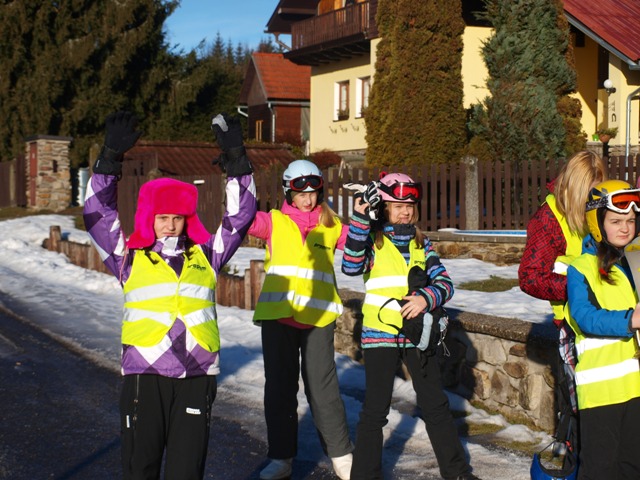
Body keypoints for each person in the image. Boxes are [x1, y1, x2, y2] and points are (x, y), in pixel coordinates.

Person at [83, 111, 257, 479]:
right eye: (162, 217)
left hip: (197, 373)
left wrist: (237, 160)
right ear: (149, 217)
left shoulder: (208, 255)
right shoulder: (127, 257)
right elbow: (97, 213)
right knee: (140, 467)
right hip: (145, 372)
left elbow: (241, 215)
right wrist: (109, 159)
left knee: (186, 470)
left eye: (177, 217)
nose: (170, 225)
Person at [341, 172, 478, 480]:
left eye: (409, 206)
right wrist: (360, 218)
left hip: (418, 334)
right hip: (380, 333)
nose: (404, 212)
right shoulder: (373, 241)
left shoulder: (421, 244)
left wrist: (425, 298)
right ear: (384, 208)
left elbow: (445, 284)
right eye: (397, 206)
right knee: (375, 410)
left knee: (435, 404)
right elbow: (350, 266)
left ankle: (457, 473)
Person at [248, 159, 353, 480]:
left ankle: (342, 454)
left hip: (318, 317)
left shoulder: (332, 225)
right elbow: (241, 217)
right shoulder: (272, 222)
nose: (308, 199)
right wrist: (239, 172)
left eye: (313, 192)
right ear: (288, 193)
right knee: (279, 389)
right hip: (278, 316)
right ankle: (281, 458)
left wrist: (369, 216)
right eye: (300, 193)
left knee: (323, 389)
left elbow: (360, 245)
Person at [518, 151, 606, 460]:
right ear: (572, 188)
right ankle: (577, 461)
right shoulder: (549, 219)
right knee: (580, 401)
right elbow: (530, 276)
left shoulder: (599, 209)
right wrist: (577, 289)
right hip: (571, 326)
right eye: (587, 195)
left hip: (607, 320)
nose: (591, 203)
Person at [565, 179, 640, 479]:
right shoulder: (581, 268)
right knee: (600, 469)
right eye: (616, 221)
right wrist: (629, 320)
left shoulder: (633, 263)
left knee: (631, 466)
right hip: (601, 392)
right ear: (597, 224)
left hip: (634, 387)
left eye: (631, 221)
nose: (625, 228)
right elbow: (585, 317)